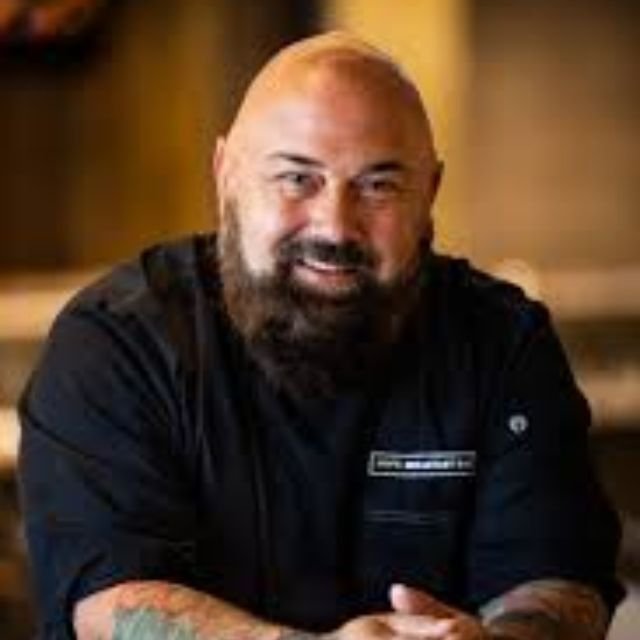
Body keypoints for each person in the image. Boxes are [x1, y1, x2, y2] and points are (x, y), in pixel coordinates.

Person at [18, 31, 622, 640]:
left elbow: (559, 579)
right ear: (225, 173)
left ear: (430, 192)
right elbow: (107, 607)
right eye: (297, 178)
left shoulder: (500, 343)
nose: (335, 225)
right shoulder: (117, 345)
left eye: (378, 185)